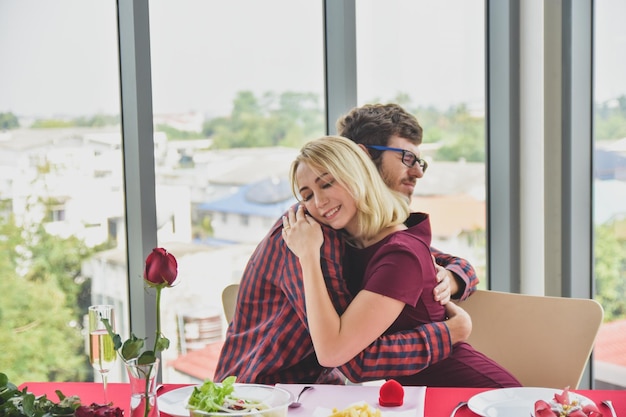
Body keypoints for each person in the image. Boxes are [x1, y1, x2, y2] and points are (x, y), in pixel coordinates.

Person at [214, 103, 476, 385]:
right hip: (261, 393)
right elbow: (348, 358)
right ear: (360, 158)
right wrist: (448, 333)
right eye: (407, 158)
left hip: (317, 390)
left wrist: (450, 278)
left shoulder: (365, 233)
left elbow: (438, 260)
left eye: (419, 162)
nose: (417, 172)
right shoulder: (308, 234)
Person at [282, 135, 520, 387]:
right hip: (414, 395)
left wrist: (308, 257)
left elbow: (332, 352)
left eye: (327, 184)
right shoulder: (351, 245)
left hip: (465, 390)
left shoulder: (400, 254)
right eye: (307, 196)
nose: (319, 202)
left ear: (358, 176)